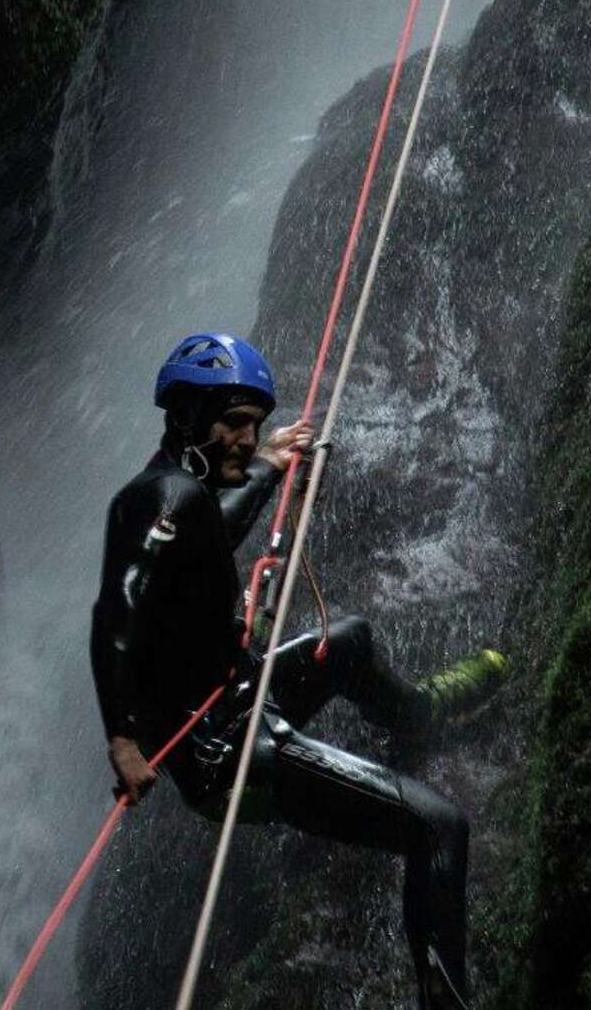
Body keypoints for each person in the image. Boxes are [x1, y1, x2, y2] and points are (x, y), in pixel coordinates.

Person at [89, 331, 510, 1010]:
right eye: (231, 424)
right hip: (230, 757)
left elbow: (206, 532)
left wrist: (269, 461)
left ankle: (418, 712)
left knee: (348, 640)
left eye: (251, 426)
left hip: (240, 695)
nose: (241, 439)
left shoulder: (175, 489)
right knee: (440, 828)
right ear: (188, 417)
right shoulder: (161, 498)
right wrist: (123, 738)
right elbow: (119, 607)